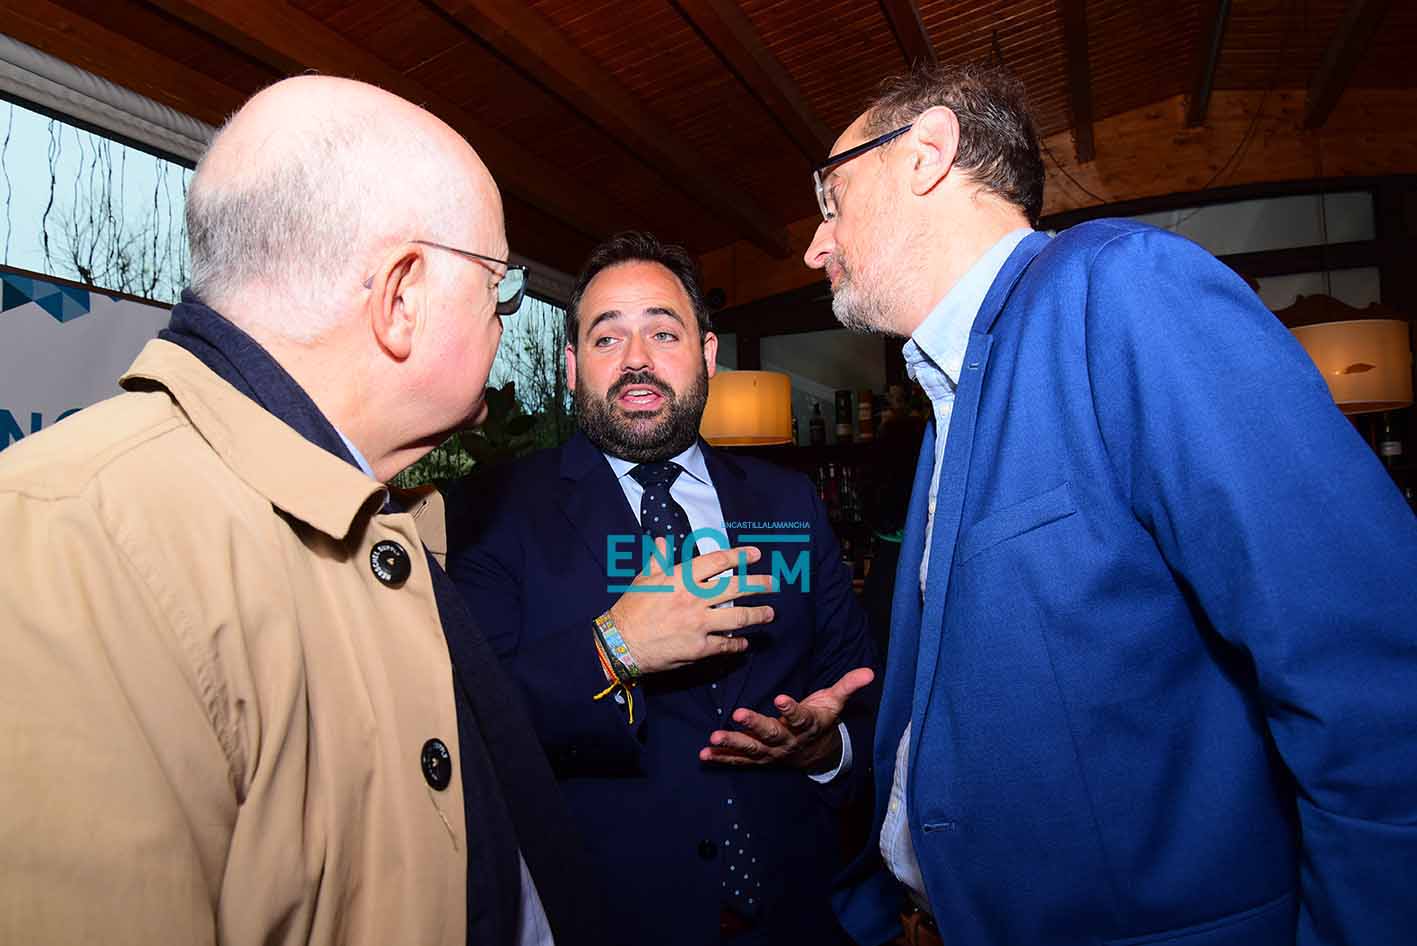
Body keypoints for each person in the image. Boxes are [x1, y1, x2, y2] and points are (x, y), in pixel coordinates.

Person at [804, 65, 1417, 946]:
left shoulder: (1123, 287)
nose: (815, 246)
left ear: (926, 153)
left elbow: (1366, 667)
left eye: (830, 200)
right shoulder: (952, 396)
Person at [0, 76, 602, 946]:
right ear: (402, 297)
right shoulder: (68, 543)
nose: (501, 323)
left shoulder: (371, 509)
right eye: (496, 289)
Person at [445, 231, 880, 946]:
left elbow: (856, 692)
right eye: (607, 337)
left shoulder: (788, 503)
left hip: (799, 917)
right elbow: (471, 721)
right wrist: (614, 648)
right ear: (571, 367)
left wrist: (823, 749)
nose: (636, 359)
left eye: (663, 332)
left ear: (707, 355)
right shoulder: (493, 512)